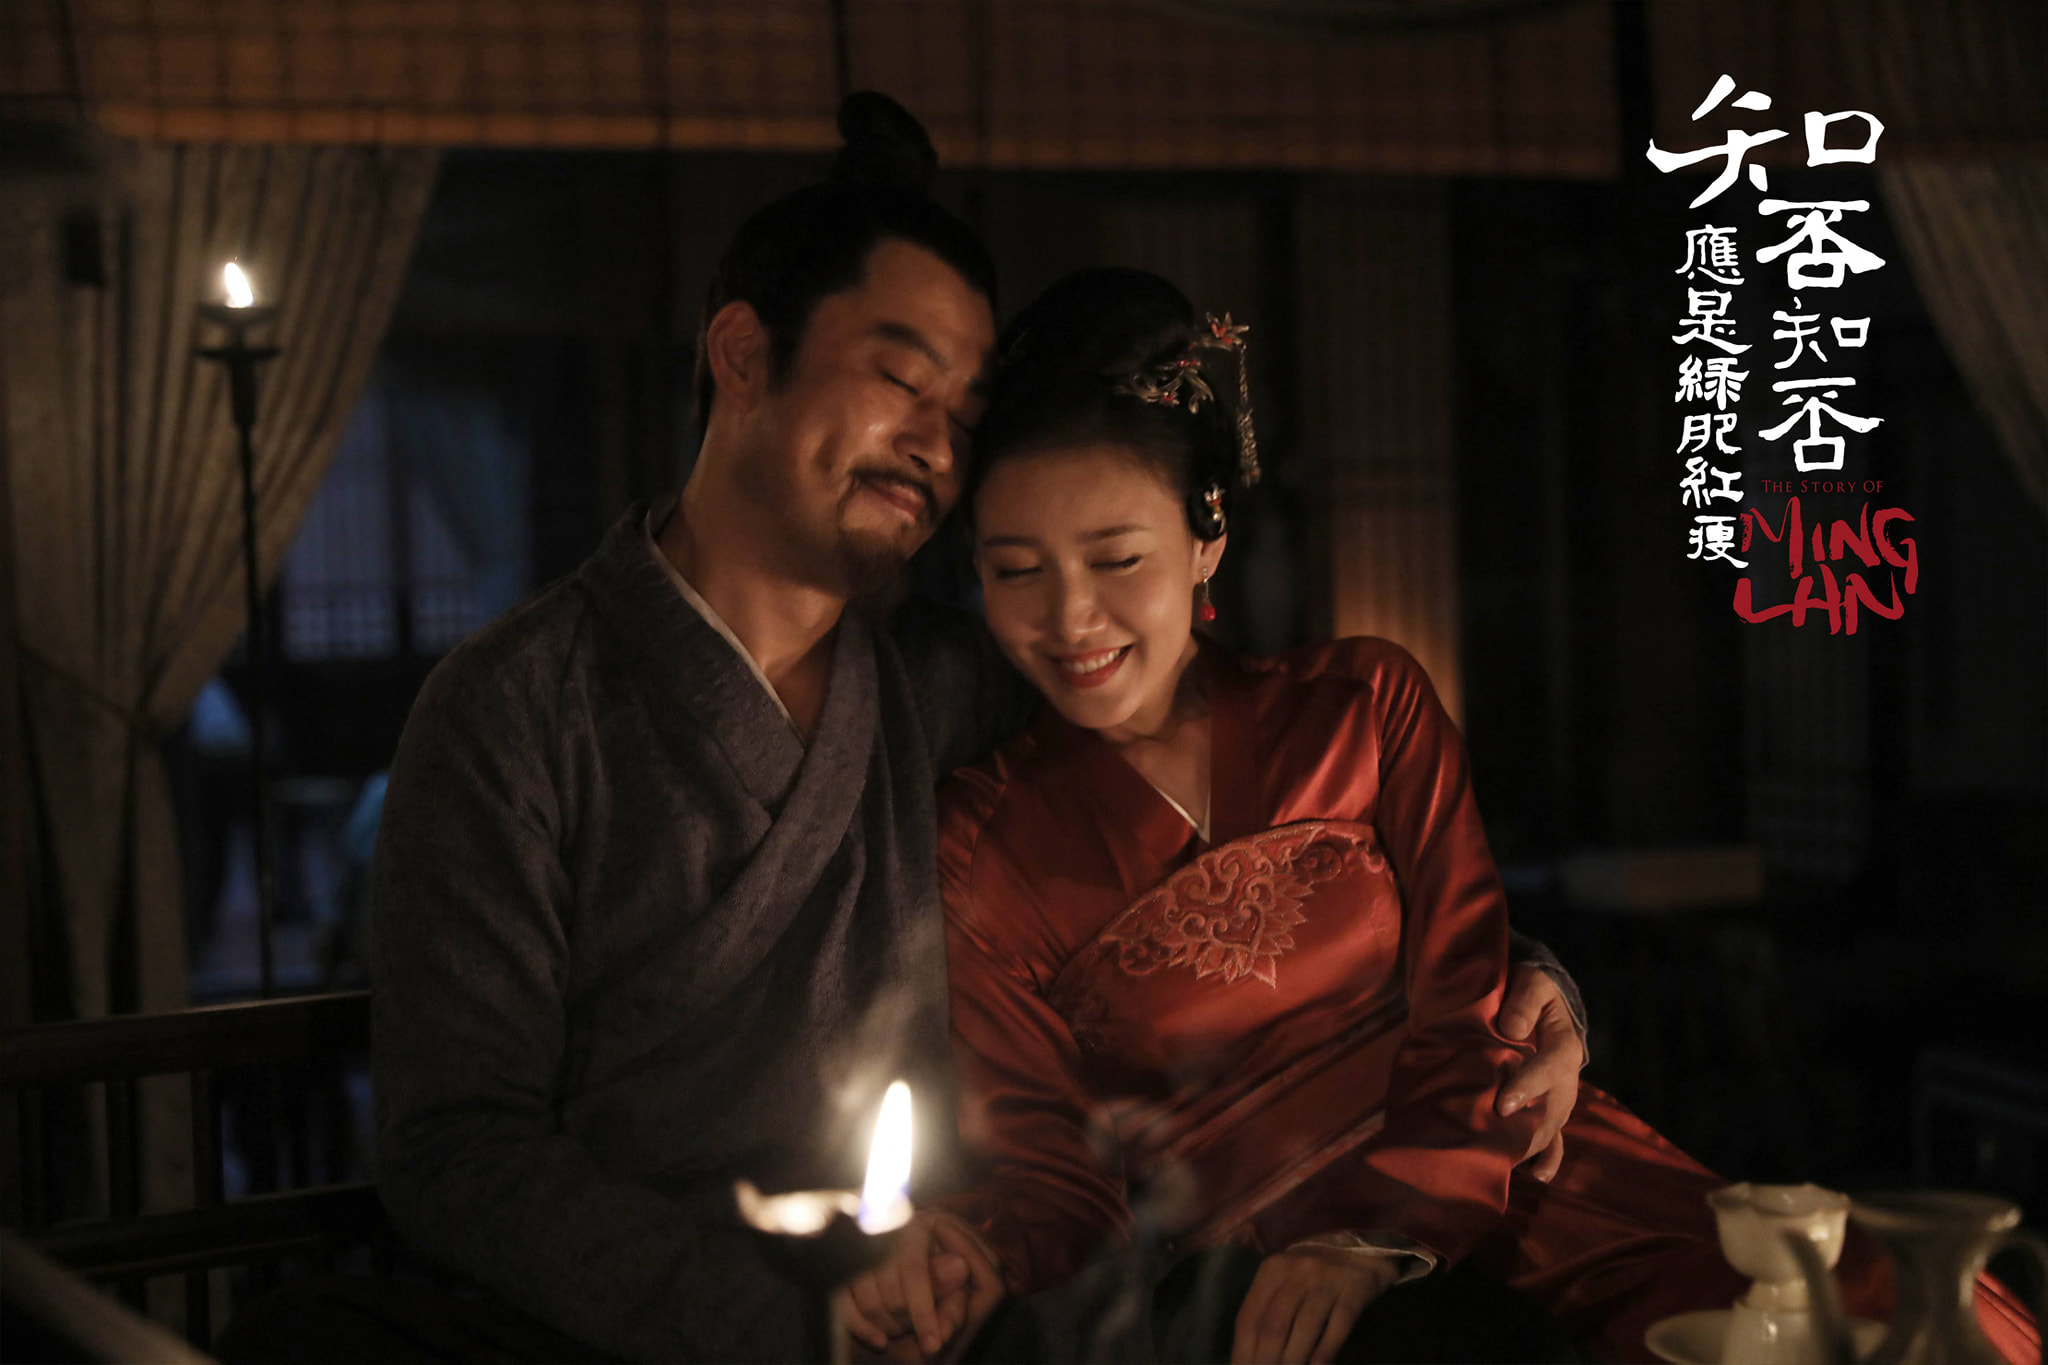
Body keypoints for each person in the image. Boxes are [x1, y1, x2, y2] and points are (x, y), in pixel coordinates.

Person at [219, 99, 1589, 1364]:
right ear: (743, 355)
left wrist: (1525, 982)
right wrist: (773, 1322)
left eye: (964, 418)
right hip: (648, 1323)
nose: (937, 447)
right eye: (901, 380)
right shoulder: (516, 707)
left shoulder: (951, 680)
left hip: (965, 1294)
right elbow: (458, 1146)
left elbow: (1235, 832)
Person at [841, 269, 2042, 1365]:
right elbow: (1053, 1170)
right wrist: (968, 1251)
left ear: (1205, 540)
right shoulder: (976, 845)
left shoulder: (1362, 705)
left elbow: (1465, 991)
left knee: (1892, 1319)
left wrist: (1384, 1231)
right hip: (1263, 1270)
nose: (1069, 619)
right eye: (1016, 570)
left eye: (1116, 560)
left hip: (1517, 1162)